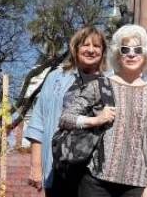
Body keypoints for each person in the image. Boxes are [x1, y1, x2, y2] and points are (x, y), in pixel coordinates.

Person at [59, 25, 147, 197]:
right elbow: (65, 118)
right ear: (117, 55)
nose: (131, 54)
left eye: (137, 49)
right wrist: (94, 120)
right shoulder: (100, 85)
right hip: (96, 181)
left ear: (145, 55)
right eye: (125, 49)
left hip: (136, 184)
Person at [25, 26, 107, 197]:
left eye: (97, 46)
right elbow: (38, 121)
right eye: (85, 45)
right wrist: (35, 165)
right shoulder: (57, 77)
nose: (91, 50)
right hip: (60, 164)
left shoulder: (110, 79)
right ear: (75, 48)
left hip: (97, 170)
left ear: (103, 51)